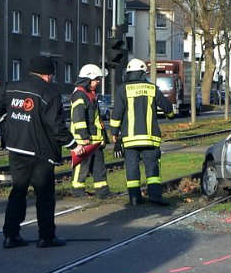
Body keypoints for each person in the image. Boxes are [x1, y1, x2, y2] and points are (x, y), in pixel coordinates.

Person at [0, 56, 84, 248]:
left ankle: (11, 235)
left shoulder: (11, 86)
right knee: (45, 195)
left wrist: (5, 123)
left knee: (18, 191)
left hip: (16, 148)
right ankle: (46, 236)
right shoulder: (49, 94)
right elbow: (56, 127)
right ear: (49, 75)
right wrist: (74, 145)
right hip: (40, 152)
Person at [109, 58, 175, 207]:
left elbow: (117, 113)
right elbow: (167, 108)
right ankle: (155, 197)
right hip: (150, 139)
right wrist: (170, 116)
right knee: (152, 167)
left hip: (130, 139)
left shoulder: (122, 89)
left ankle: (134, 198)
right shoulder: (151, 88)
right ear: (142, 73)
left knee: (131, 167)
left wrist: (114, 133)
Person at [70, 64, 112, 199]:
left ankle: (103, 192)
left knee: (99, 166)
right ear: (88, 79)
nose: (98, 81)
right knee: (81, 166)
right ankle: (77, 191)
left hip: (95, 139)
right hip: (85, 140)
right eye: (96, 79)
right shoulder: (79, 95)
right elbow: (78, 117)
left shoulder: (90, 94)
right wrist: (83, 135)